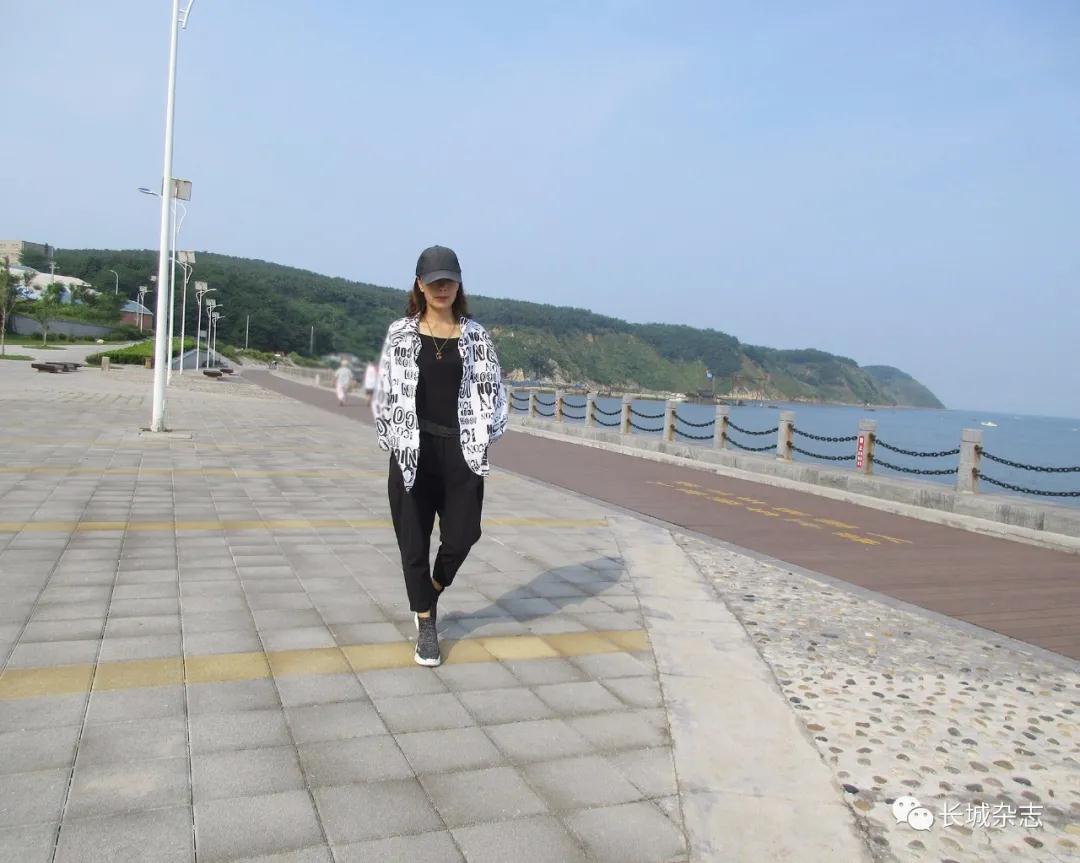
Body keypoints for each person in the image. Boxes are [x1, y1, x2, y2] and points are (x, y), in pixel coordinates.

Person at [372, 245, 508, 666]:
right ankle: (426, 623)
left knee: (464, 535)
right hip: (413, 449)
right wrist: (392, 439)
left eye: (449, 280)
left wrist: (484, 437)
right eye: (434, 281)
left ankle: (432, 588)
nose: (442, 288)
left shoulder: (477, 336)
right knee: (413, 541)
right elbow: (385, 390)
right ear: (419, 284)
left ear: (459, 284)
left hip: (461, 450)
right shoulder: (400, 333)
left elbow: (495, 392)